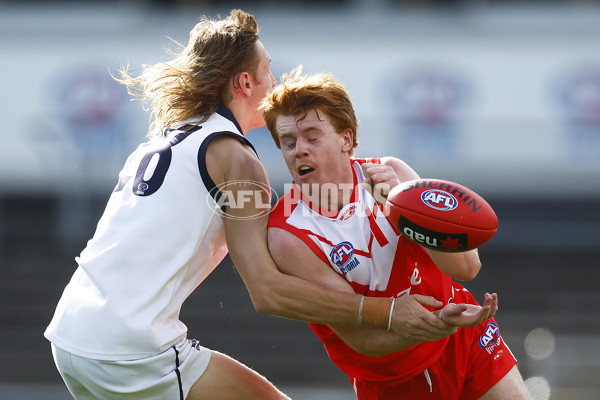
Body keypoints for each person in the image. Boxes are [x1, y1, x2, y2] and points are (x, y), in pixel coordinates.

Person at [44, 10, 458, 400]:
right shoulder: (239, 161)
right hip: (127, 348)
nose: (274, 81)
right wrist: (386, 311)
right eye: (267, 71)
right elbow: (267, 291)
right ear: (244, 84)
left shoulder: (165, 136)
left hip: (71, 335)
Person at [262, 68, 532, 399]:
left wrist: (405, 209)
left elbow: (466, 268)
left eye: (312, 137)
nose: (299, 150)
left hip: (464, 335)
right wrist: (436, 324)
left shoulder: (395, 174)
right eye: (288, 142)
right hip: (394, 375)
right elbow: (363, 340)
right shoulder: (287, 234)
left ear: (346, 139)